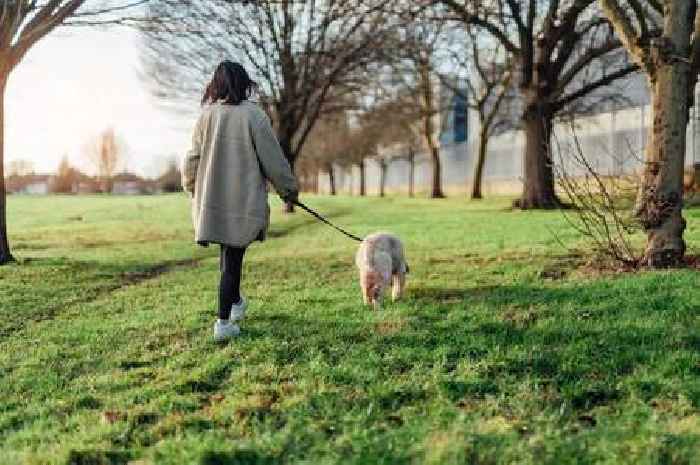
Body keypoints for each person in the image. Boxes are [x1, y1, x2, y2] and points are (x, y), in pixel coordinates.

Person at [181, 61, 298, 342]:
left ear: (216, 85)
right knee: (232, 262)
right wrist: (288, 190)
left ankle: (235, 304)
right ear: (244, 83)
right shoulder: (254, 116)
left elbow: (190, 160)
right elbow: (272, 158)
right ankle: (223, 323)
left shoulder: (206, 117)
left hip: (212, 201)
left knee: (228, 260)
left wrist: (192, 188)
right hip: (243, 202)